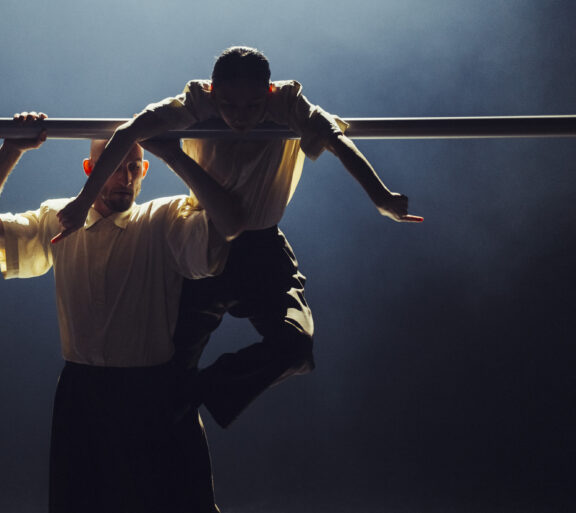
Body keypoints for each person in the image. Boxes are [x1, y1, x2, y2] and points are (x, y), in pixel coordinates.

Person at [53, 46, 423, 429]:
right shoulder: (196, 102)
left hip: (263, 249)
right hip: (205, 242)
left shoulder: (288, 103)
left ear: (268, 93)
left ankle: (196, 392)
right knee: (166, 368)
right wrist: (83, 201)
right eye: (229, 104)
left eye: (251, 106)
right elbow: (129, 130)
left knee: (296, 346)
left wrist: (380, 196)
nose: (239, 115)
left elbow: (335, 139)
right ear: (214, 93)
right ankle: (161, 428)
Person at [0, 111, 239, 513]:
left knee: (174, 503)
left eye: (133, 168)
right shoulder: (58, 217)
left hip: (152, 392)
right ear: (91, 169)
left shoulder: (164, 218)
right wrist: (10, 149)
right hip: (83, 392)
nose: (124, 178)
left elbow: (230, 227)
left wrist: (174, 155)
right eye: (114, 167)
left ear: (144, 172)